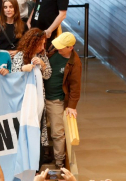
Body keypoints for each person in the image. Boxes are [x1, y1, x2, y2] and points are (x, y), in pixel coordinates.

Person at [45, 32, 82, 168]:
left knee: (57, 132)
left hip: (56, 100)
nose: (58, 48)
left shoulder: (74, 63)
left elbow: (75, 86)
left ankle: (60, 161)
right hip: (41, 96)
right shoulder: (54, 51)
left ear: (70, 47)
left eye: (62, 47)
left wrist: (72, 106)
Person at [12, 28, 51, 150]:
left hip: (38, 99)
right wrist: (23, 69)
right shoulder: (20, 55)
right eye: (40, 44)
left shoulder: (42, 56)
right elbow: (13, 77)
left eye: (44, 43)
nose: (42, 46)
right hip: (23, 101)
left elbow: (48, 75)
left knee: (37, 127)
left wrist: (43, 65)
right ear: (32, 43)